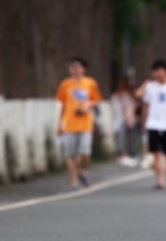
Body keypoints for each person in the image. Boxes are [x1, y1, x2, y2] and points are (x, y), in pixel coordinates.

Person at [56, 57, 104, 190]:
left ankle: (82, 170)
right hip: (69, 124)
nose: (75, 70)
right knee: (70, 154)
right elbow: (62, 105)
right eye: (72, 67)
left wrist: (87, 106)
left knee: (85, 152)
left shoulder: (90, 83)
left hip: (85, 124)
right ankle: (74, 181)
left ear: (84, 69)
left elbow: (97, 100)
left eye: (78, 67)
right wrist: (59, 124)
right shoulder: (65, 84)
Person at [137, 60, 166, 190]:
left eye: (160, 70)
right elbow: (145, 105)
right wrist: (144, 123)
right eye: (155, 71)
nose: (157, 73)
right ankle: (160, 181)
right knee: (157, 153)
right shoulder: (150, 87)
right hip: (153, 124)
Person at [110, 76, 140, 167]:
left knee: (129, 139)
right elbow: (127, 109)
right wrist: (129, 118)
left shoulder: (124, 96)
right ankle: (124, 155)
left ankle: (128, 155)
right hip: (122, 120)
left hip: (125, 120)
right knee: (123, 139)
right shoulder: (118, 96)